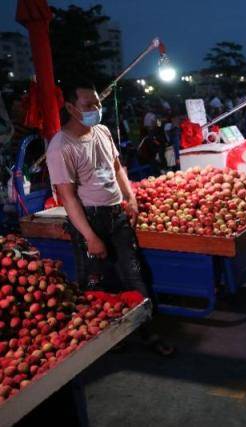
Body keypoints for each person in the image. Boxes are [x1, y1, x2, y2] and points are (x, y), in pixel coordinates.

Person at [46, 80, 174, 356]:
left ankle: (148, 333)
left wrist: (131, 198)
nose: (96, 109)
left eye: (98, 103)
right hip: (89, 221)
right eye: (88, 105)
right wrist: (90, 236)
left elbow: (118, 168)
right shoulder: (60, 146)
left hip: (117, 215)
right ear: (70, 107)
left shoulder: (102, 131)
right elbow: (67, 197)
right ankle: (99, 342)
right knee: (95, 285)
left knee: (136, 277)